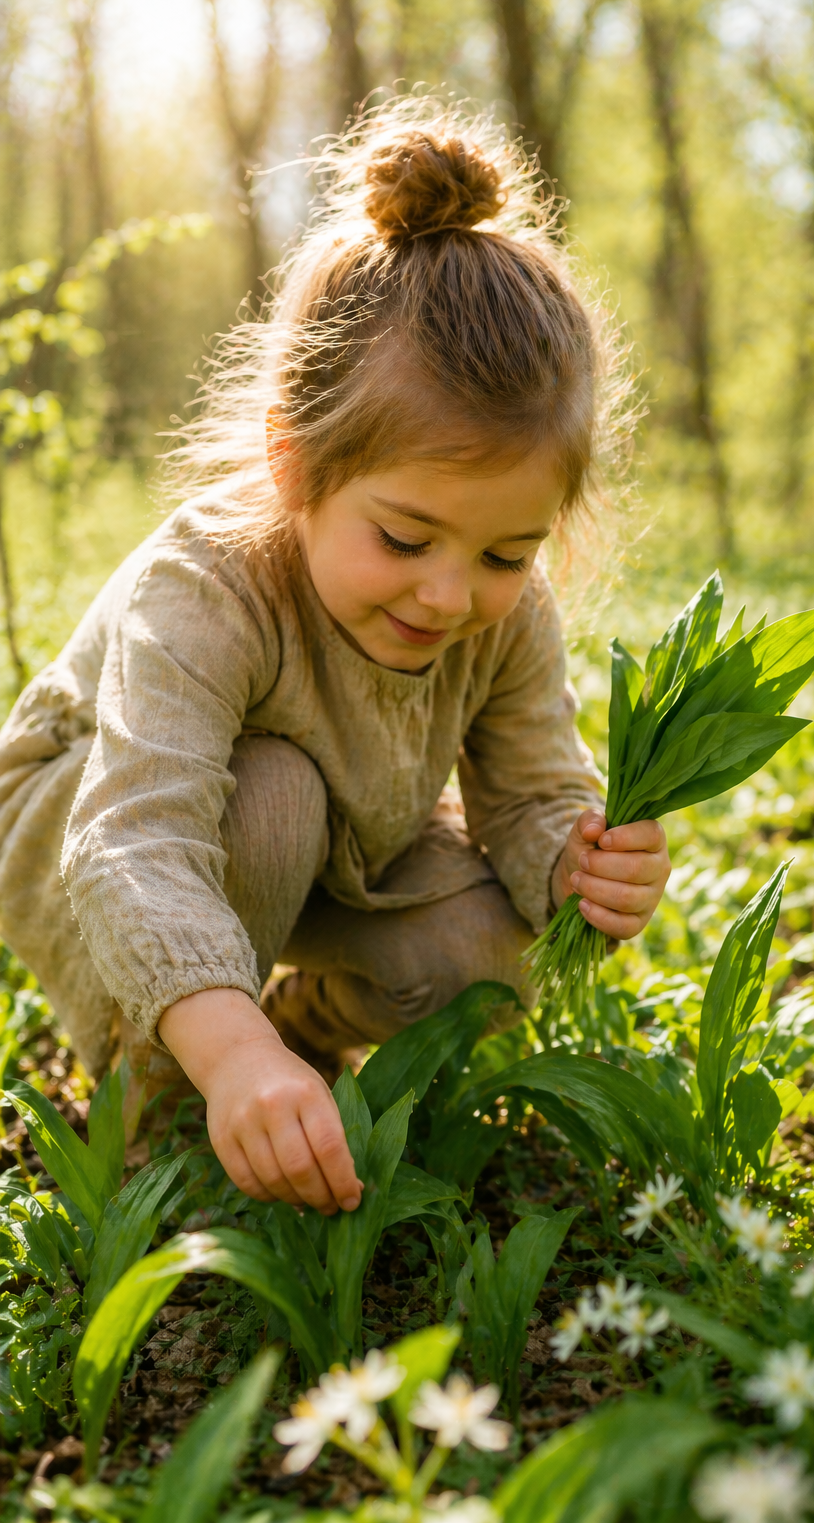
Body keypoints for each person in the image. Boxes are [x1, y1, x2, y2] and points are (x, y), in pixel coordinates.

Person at [0, 103, 671, 1219]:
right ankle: (161, 1110)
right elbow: (136, 838)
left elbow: (533, 794)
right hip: (95, 824)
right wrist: (226, 1053)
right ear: (293, 461)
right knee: (270, 800)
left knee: (489, 943)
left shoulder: (500, 610)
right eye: (404, 539)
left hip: (340, 847)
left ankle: (300, 1042)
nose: (449, 594)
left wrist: (577, 862)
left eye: (507, 550)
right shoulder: (208, 586)